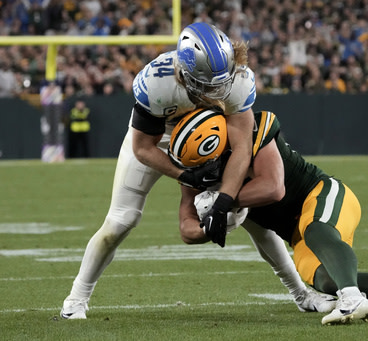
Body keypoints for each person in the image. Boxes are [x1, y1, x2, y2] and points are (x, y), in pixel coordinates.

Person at [176, 109, 368, 325]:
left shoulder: (256, 129)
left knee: (316, 228)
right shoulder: (196, 172)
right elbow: (186, 228)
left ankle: (352, 298)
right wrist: (210, 227)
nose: (207, 173)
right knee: (326, 281)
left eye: (210, 161)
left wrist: (225, 202)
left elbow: (273, 188)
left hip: (323, 194)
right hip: (296, 233)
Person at [60, 22, 258, 319]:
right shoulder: (158, 81)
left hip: (206, 139)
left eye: (222, 80)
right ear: (187, 75)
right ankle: (75, 300)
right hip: (158, 141)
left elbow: (242, 147)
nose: (217, 91)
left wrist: (225, 200)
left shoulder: (237, 78)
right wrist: (183, 174)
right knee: (120, 221)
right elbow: (142, 148)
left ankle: (299, 291)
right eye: (208, 84)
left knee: (252, 210)